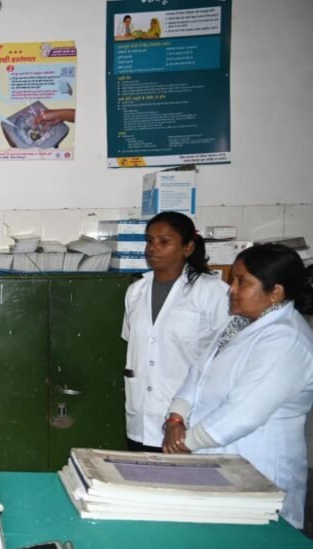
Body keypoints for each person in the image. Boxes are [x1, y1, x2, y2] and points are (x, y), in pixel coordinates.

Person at [162, 244, 313, 528]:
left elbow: (244, 412)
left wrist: (186, 443)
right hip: (211, 458)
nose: (231, 289)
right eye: (233, 280)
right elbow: (198, 373)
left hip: (257, 466)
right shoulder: (239, 323)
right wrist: (175, 418)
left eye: (242, 282)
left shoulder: (286, 340)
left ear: (275, 292)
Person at [121, 212, 229, 452]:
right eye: (149, 240)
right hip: (140, 417)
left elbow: (228, 353)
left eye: (164, 241)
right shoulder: (136, 291)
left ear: (188, 247)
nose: (152, 248)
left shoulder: (211, 291)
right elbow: (137, 346)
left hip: (187, 420)